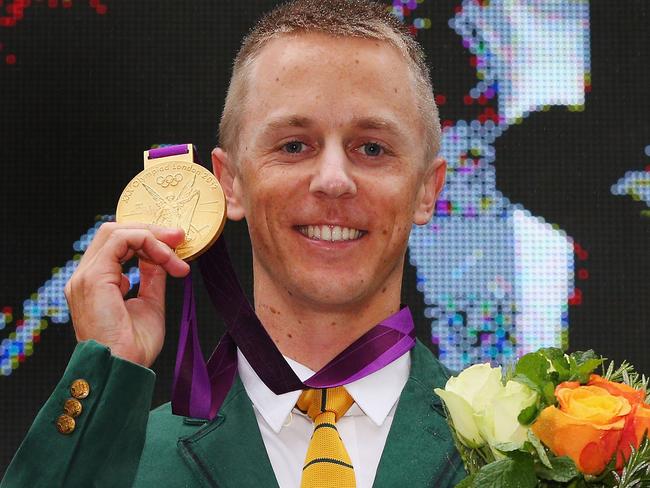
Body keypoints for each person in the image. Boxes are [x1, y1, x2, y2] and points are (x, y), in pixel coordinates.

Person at [1, 0, 466, 486]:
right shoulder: (128, 460)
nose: (333, 180)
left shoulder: (532, 443)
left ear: (427, 190)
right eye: (294, 145)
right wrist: (104, 373)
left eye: (372, 148)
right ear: (230, 183)